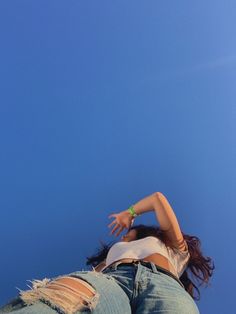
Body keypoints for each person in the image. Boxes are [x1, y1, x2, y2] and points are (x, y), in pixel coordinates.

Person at [0, 192, 214, 314]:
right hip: (111, 280)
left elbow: (158, 199)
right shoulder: (113, 252)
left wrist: (130, 213)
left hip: (163, 283)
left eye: (128, 233)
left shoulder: (172, 247)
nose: (122, 238)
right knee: (57, 306)